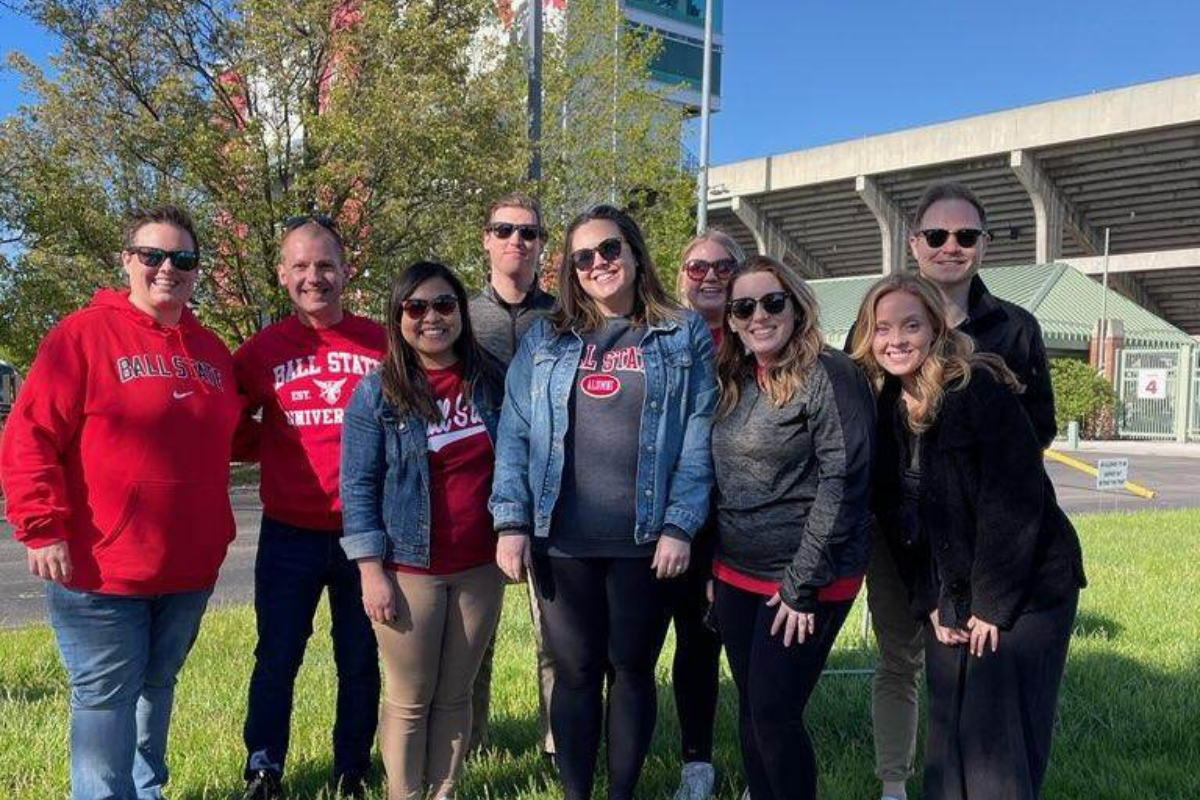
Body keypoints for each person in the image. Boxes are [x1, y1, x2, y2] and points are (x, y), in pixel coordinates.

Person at [0, 205, 243, 800]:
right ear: (127, 261)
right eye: (153, 256)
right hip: (100, 567)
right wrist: (40, 526)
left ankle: (147, 789)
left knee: (158, 685)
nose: (167, 269)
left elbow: (236, 435)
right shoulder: (81, 336)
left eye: (182, 259)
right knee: (105, 697)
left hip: (189, 567)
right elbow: (29, 435)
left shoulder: (211, 352)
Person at [489, 204, 717, 800]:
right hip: (559, 539)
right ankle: (576, 793)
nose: (598, 264)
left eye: (610, 250)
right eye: (583, 257)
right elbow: (514, 433)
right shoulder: (546, 337)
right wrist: (510, 521)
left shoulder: (681, 331)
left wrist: (680, 525)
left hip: (645, 542)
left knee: (633, 670)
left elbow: (698, 433)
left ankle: (621, 793)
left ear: (636, 255)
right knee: (576, 673)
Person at [852, 181, 1058, 800]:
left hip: (987, 541)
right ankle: (897, 781)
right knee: (919, 670)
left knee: (982, 696)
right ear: (914, 244)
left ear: (983, 246)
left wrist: (972, 486)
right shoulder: (877, 334)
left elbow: (1031, 440)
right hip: (909, 539)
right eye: (937, 235)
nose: (951, 246)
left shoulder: (1012, 333)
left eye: (965, 236)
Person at [710, 256, 875, 800]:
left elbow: (844, 480)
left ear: (796, 305)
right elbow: (723, 478)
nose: (759, 316)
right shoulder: (735, 378)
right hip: (736, 572)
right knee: (753, 711)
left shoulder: (830, 374)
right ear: (731, 320)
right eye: (744, 307)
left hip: (805, 580)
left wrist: (800, 586)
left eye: (772, 302)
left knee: (775, 714)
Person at [341, 262, 507, 800]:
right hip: (408, 567)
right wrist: (371, 571)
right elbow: (359, 487)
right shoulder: (376, 393)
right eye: (415, 307)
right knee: (412, 697)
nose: (431, 317)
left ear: (461, 310)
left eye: (443, 305)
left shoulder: (491, 380)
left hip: (480, 566)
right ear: (398, 317)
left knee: (456, 693)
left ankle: (444, 792)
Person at [235, 215, 384, 799]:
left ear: (346, 271)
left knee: (361, 658)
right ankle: (264, 767)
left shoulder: (381, 341)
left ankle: (352, 767)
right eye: (300, 266)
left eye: (325, 265)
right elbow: (226, 424)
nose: (314, 277)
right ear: (282, 274)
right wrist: (268, 446)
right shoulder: (259, 352)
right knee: (276, 656)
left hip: (364, 534)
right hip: (288, 533)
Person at [466, 192, 557, 757]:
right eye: (505, 230)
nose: (516, 242)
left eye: (528, 233)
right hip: (474, 488)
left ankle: (557, 742)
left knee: (555, 635)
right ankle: (469, 744)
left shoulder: (565, 315)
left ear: (542, 244)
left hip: (552, 492)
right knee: (477, 637)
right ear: (487, 239)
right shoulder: (459, 315)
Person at [669, 228, 745, 800]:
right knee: (693, 640)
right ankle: (696, 761)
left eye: (723, 267)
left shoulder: (758, 334)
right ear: (681, 276)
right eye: (698, 268)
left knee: (746, 645)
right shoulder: (661, 337)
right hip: (675, 513)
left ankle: (759, 757)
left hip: (744, 514)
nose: (711, 277)